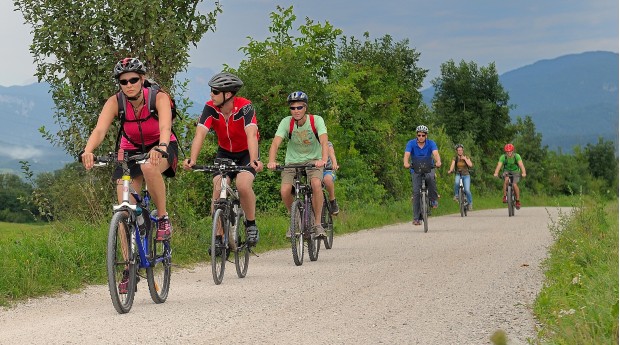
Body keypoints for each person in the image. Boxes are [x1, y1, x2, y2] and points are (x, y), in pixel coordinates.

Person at [81, 57, 178, 293]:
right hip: (130, 148)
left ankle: (163, 218)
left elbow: (165, 127)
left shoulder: (159, 98)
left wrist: (161, 147)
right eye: (123, 81)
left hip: (161, 146)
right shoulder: (115, 102)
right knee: (124, 206)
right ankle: (128, 267)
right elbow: (100, 129)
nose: (129, 84)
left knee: (149, 167)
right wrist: (88, 150)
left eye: (134, 79)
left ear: (142, 79)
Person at [183, 72, 263, 246]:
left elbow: (251, 134)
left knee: (242, 185)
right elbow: (200, 134)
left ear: (228, 94)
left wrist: (255, 159)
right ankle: (218, 237)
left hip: (246, 153)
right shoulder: (210, 107)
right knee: (219, 186)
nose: (211, 94)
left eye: (215, 91)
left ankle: (251, 224)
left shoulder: (245, 107)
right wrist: (192, 159)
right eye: (212, 90)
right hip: (225, 152)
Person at [267, 91, 329, 238]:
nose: (296, 111)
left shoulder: (316, 120)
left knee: (315, 183)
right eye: (293, 108)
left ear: (305, 108)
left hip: (314, 160)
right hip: (292, 162)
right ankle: (295, 220)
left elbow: (324, 141)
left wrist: (324, 159)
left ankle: (318, 224)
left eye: (299, 107)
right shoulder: (286, 122)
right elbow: (275, 143)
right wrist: (271, 161)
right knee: (285, 190)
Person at [403, 125, 441, 226]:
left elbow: (435, 153)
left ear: (426, 136)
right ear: (416, 135)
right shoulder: (411, 143)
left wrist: (438, 161)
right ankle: (416, 218)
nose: (421, 137)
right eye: (419, 135)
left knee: (430, 178)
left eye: (423, 135)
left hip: (429, 167)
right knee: (416, 192)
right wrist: (406, 163)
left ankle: (433, 199)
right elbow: (407, 154)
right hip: (415, 169)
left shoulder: (431, 143)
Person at [493, 143, 527, 209]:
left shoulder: (517, 156)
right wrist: (496, 173)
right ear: (505, 152)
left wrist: (524, 172)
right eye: (507, 152)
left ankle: (517, 200)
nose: (509, 153)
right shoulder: (503, 157)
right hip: (506, 171)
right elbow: (499, 165)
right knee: (506, 179)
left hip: (515, 171)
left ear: (513, 151)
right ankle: (505, 196)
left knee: (514, 184)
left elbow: (521, 165)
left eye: (510, 151)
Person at [447, 144, 473, 210]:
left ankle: (470, 203)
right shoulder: (455, 158)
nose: (460, 151)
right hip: (458, 174)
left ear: (463, 150)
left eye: (461, 150)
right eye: (458, 150)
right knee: (456, 182)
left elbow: (470, 165)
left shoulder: (466, 157)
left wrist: (465, 159)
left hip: (466, 175)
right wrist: (450, 170)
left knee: (467, 190)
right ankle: (456, 196)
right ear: (457, 151)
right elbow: (452, 165)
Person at [323, 141, 340, 215]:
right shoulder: (308, 144)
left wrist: (334, 163)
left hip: (327, 170)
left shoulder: (327, 143)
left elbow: (331, 152)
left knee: (327, 180)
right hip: (313, 171)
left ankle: (332, 201)